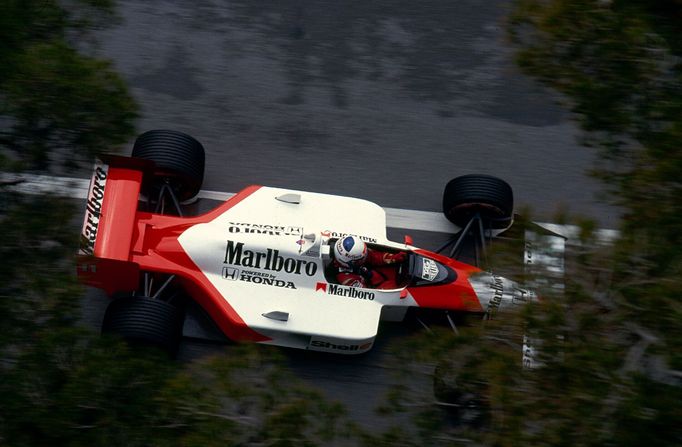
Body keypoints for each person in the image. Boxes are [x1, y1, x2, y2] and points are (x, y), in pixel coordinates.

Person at [332, 235, 406, 288]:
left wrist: (393, 257)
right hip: (376, 285)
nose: (365, 258)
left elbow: (374, 257)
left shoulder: (358, 254)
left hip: (380, 272)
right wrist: (369, 275)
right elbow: (367, 291)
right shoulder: (346, 279)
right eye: (361, 259)